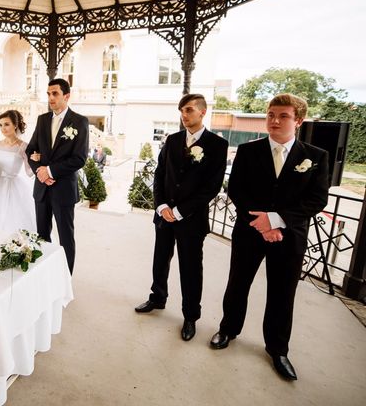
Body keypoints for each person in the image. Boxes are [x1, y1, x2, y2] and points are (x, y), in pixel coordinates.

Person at [209, 94, 329, 381]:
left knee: (282, 292)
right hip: (249, 231)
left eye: (283, 116)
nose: (274, 121)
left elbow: (316, 199)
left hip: (290, 237)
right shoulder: (248, 152)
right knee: (238, 283)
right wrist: (261, 224)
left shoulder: (316, 156)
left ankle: (278, 349)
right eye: (271, 115)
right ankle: (228, 329)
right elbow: (237, 191)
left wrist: (276, 220)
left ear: (298, 120)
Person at [135, 94, 228, 342]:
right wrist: (162, 206)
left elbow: (211, 188)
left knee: (190, 268)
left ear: (202, 112)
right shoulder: (172, 140)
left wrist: (179, 211)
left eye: (188, 110)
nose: (183, 115)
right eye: (181, 111)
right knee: (160, 259)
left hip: (192, 220)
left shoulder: (218, 145)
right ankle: (158, 298)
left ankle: (190, 316)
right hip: (164, 215)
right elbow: (160, 175)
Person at [26, 78, 89, 274]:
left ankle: (64, 279)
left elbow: (79, 158)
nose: (51, 98)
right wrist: (39, 170)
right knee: (42, 236)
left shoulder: (80, 122)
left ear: (66, 96)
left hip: (63, 190)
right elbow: (30, 151)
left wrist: (50, 171)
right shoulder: (42, 120)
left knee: (65, 237)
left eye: (55, 94)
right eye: (48, 94)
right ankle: (44, 275)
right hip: (42, 188)